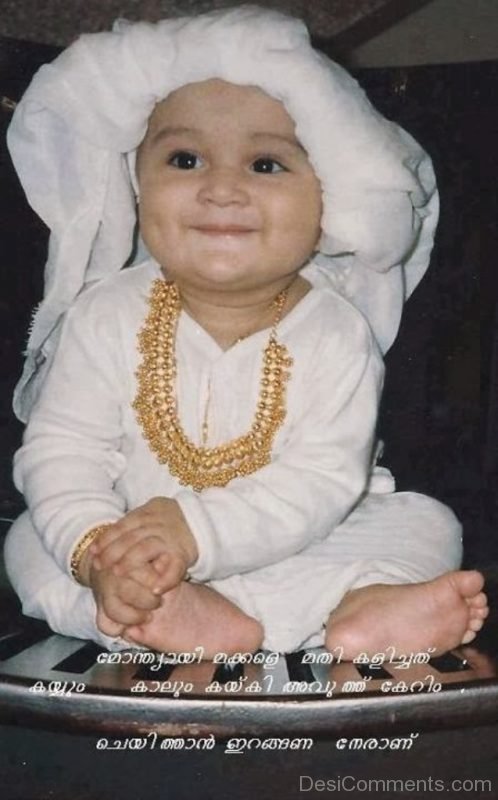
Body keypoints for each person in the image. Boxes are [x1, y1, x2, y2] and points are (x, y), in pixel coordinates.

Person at [4, 5, 488, 659]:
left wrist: (196, 532)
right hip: (135, 543)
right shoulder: (104, 314)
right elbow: (64, 451)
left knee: (425, 523)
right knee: (32, 541)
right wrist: (97, 552)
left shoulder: (334, 331)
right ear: (136, 185)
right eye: (184, 158)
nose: (222, 187)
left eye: (266, 165)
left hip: (305, 536)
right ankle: (220, 615)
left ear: (329, 204)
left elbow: (321, 481)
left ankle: (347, 606)